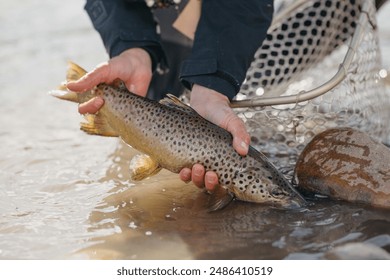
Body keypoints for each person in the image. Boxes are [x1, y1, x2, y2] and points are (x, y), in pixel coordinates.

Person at [67, 0, 273, 191]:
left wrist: (213, 86)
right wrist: (132, 48)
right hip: (158, 18)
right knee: (146, 104)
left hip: (236, 15)